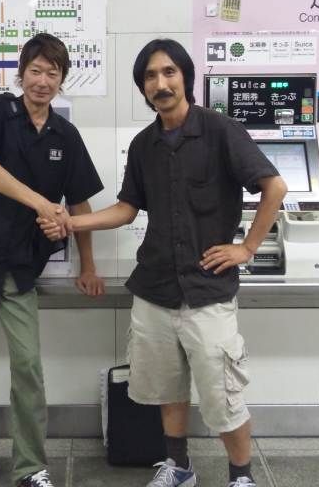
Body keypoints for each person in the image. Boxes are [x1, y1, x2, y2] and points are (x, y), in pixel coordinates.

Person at [39, 39, 287, 487]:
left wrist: (246, 248)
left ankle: (241, 476)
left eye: (169, 72)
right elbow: (126, 209)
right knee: (166, 388)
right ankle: (178, 467)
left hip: (208, 290)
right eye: (151, 76)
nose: (161, 83)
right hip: (155, 291)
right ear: (143, 88)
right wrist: (72, 222)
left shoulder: (221, 131)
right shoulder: (143, 145)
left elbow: (274, 187)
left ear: (185, 77)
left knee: (223, 395)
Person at [0, 33, 105, 487]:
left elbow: (80, 203)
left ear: (62, 80)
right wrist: (43, 205)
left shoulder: (66, 136)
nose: (42, 81)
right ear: (21, 73)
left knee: (27, 363)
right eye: (35, 71)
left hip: (17, 262)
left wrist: (87, 266)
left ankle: (31, 466)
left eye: (53, 73)